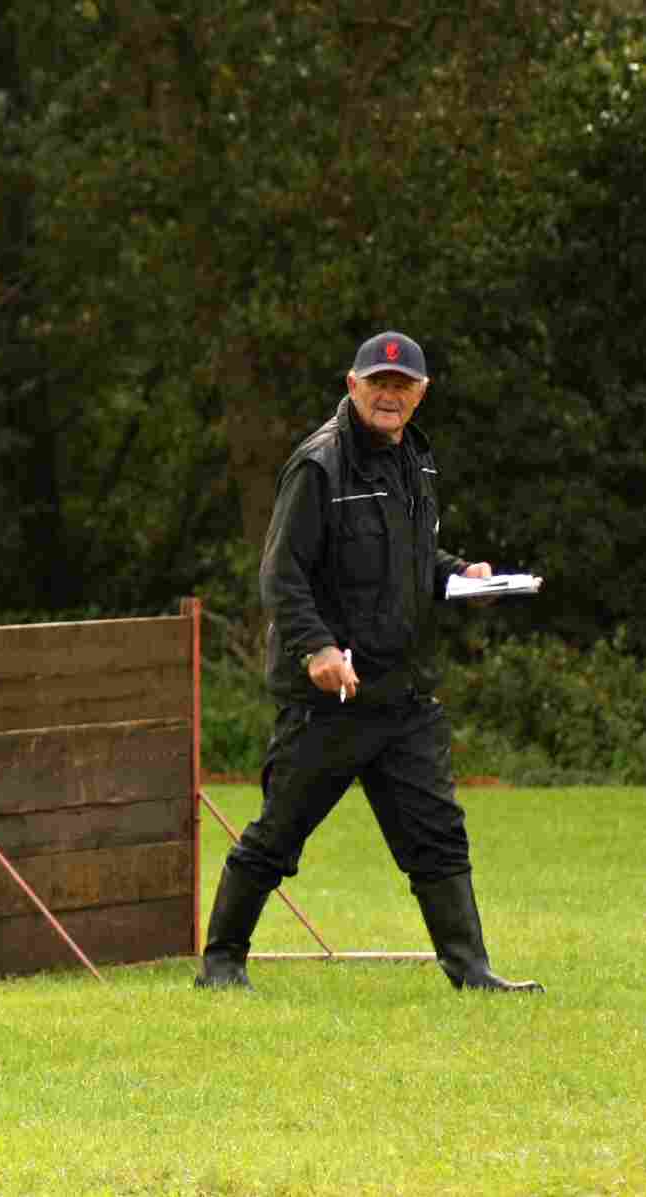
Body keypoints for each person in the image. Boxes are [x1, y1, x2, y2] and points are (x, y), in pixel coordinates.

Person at [195, 330, 542, 994]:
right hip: (332, 698)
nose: (389, 396)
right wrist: (316, 650)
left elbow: (407, 563)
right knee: (278, 833)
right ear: (351, 386)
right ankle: (220, 963)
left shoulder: (416, 459)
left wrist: (459, 575)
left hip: (405, 694)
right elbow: (282, 575)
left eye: (401, 386)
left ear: (419, 394)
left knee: (437, 830)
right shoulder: (317, 466)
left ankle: (471, 972)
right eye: (376, 384)